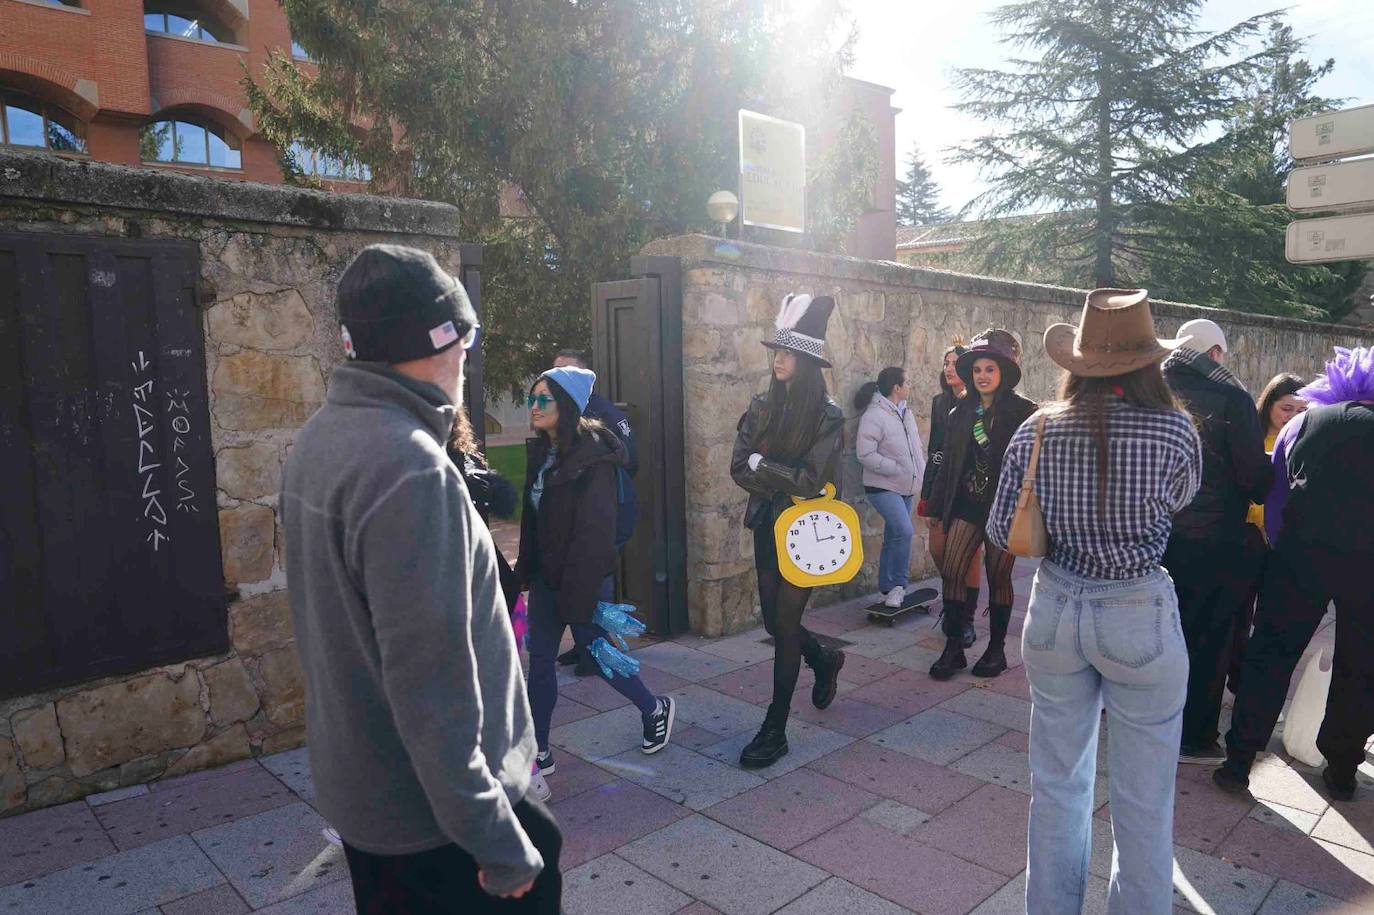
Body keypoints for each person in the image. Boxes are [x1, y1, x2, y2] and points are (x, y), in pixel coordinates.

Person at [281, 244, 561, 914]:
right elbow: (430, 688)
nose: (469, 352)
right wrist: (496, 839)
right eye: (467, 335)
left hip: (371, 803)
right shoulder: (411, 469)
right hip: (438, 827)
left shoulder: (320, 439)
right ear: (443, 338)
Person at [989, 288, 1201, 915]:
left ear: (1078, 361)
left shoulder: (1037, 428)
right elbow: (1181, 500)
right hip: (1139, 610)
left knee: (1055, 787)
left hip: (1055, 608)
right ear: (1149, 363)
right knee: (1143, 798)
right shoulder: (1174, 429)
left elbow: (1004, 530)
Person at [1215, 346, 1374, 803]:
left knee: (1271, 655)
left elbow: (1277, 492)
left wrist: (1284, 543)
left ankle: (1239, 760)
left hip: (1300, 555)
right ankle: (1341, 770)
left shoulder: (1305, 422)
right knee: (1361, 666)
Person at [517, 365, 675, 789]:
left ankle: (653, 708)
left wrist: (577, 596)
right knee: (541, 665)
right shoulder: (541, 451)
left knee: (600, 655)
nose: (534, 406)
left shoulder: (594, 459)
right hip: (549, 578)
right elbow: (532, 522)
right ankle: (540, 749)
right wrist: (524, 574)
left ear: (566, 405)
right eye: (532, 398)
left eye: (543, 399)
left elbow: (594, 536)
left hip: (584, 579)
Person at [730, 293, 847, 768]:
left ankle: (775, 728)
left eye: (788, 354)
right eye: (777, 352)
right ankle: (822, 659)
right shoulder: (761, 406)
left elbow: (810, 480)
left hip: (805, 527)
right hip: (766, 521)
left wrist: (766, 464)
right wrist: (768, 467)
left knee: (783, 624)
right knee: (775, 624)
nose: (778, 360)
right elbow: (739, 466)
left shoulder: (828, 414)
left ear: (806, 362)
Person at [1161, 318, 1272, 765]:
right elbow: (1253, 479)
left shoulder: (1150, 387)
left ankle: (1145, 718)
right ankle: (1194, 736)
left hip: (1155, 534)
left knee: (1158, 631)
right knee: (1208, 638)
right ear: (1215, 353)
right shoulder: (1232, 397)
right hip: (1213, 540)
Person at [926, 329, 1036, 680]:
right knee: (953, 570)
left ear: (1003, 373)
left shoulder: (1025, 413)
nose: (983, 376)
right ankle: (954, 647)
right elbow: (948, 464)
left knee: (999, 576)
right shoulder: (960, 412)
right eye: (977, 370)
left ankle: (996, 650)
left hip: (1005, 509)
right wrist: (936, 507)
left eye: (990, 369)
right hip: (967, 505)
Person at [551, 349, 639, 677]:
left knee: (596, 578)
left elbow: (631, 460)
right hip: (580, 515)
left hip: (607, 513)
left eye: (566, 372)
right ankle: (583, 643)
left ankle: (598, 653)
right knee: (580, 578)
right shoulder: (565, 411)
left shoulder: (602, 413)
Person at [1228, 373, 1307, 694]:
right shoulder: (1251, 441)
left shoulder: (1306, 444)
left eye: (1301, 412)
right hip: (1248, 540)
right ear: (1268, 405)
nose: (1292, 417)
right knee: (1238, 616)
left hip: (1284, 545)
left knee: (1270, 621)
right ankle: (1233, 678)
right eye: (1286, 409)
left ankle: (1250, 686)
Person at [919, 341, 981, 647]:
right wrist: (927, 494)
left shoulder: (979, 404)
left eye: (956, 362)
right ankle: (954, 600)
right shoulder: (939, 402)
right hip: (941, 484)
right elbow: (934, 451)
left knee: (967, 556)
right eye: (946, 362)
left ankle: (965, 618)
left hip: (969, 488)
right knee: (939, 549)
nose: (950, 367)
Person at [854, 366, 927, 607]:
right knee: (904, 531)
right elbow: (864, 454)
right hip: (882, 487)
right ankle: (898, 586)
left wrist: (921, 473)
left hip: (905, 487)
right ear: (896, 387)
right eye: (907, 382)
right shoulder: (874, 415)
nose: (911, 386)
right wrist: (894, 468)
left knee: (894, 534)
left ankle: (885, 589)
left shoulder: (906, 413)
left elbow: (915, 449)